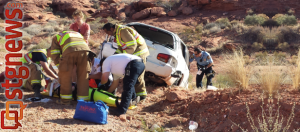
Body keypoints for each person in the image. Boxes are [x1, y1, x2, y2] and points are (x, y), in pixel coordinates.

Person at [102, 22, 149, 101]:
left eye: (108, 32)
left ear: (111, 29)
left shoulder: (122, 31)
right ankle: (135, 96)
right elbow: (121, 48)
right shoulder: (117, 34)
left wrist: (124, 57)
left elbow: (132, 45)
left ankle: (141, 95)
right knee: (132, 76)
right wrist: (115, 56)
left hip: (139, 53)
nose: (108, 34)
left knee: (137, 75)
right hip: (134, 54)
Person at [50, 30, 92, 105]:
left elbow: (55, 53)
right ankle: (83, 102)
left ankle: (65, 101)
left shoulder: (56, 37)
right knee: (83, 76)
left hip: (69, 51)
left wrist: (60, 66)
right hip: (85, 51)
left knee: (65, 76)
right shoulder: (77, 34)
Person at [69, 10, 91, 85]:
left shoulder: (86, 25)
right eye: (75, 18)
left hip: (84, 47)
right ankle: (74, 83)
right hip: (74, 48)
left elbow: (86, 37)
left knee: (83, 66)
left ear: (81, 17)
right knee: (74, 66)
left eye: (78, 18)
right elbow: (70, 37)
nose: (76, 20)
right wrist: (80, 36)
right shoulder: (72, 25)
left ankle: (83, 83)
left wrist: (77, 36)